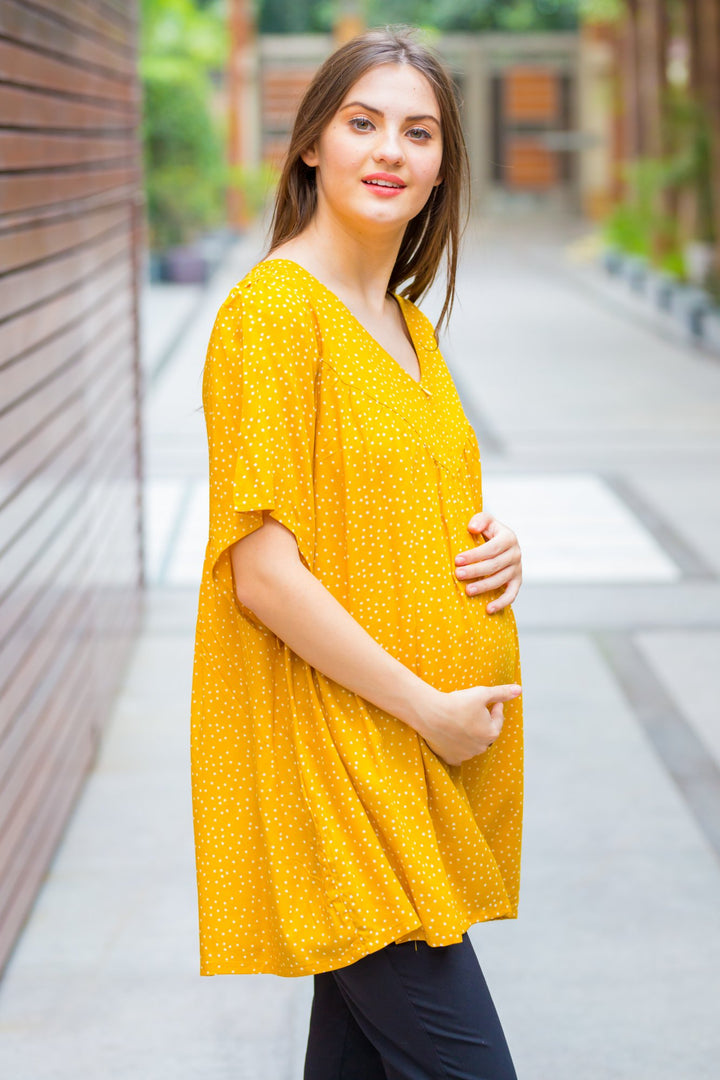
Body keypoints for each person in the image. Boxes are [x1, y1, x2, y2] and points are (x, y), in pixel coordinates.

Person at [190, 24, 524, 1080]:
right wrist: (426, 706)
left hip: (409, 762)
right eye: (363, 122)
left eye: (419, 132)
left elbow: (399, 501)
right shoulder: (276, 315)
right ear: (310, 148)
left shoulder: (406, 323)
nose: (391, 150)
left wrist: (496, 546)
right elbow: (262, 571)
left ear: (442, 164)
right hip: (343, 757)